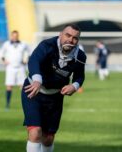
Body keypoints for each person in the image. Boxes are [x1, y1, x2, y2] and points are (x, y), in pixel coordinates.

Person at [22, 24, 86, 152]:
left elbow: (80, 76)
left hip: (55, 97)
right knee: (35, 132)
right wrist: (37, 80)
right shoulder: (47, 45)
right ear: (61, 34)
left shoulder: (80, 56)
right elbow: (34, 61)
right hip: (34, 91)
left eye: (75, 38)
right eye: (68, 35)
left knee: (48, 138)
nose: (70, 40)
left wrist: (74, 86)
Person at [1, 30, 30, 109]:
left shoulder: (23, 44)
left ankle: (26, 104)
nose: (15, 37)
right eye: (13, 36)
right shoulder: (6, 44)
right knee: (9, 86)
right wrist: (4, 60)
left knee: (23, 86)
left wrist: (26, 59)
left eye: (16, 36)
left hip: (20, 67)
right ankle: (7, 104)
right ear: (11, 36)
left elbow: (29, 51)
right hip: (10, 68)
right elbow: (2, 54)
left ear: (18, 36)